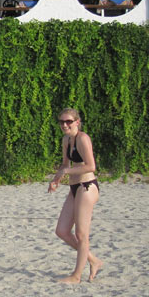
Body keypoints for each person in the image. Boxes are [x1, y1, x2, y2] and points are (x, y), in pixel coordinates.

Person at [48, 108, 103, 283]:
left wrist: (67, 172)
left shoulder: (83, 138)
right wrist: (56, 179)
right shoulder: (66, 139)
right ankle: (93, 260)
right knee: (62, 231)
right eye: (61, 122)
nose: (64, 125)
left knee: (81, 234)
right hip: (74, 187)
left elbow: (91, 166)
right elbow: (65, 164)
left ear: (77, 122)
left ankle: (76, 276)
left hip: (87, 186)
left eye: (68, 121)